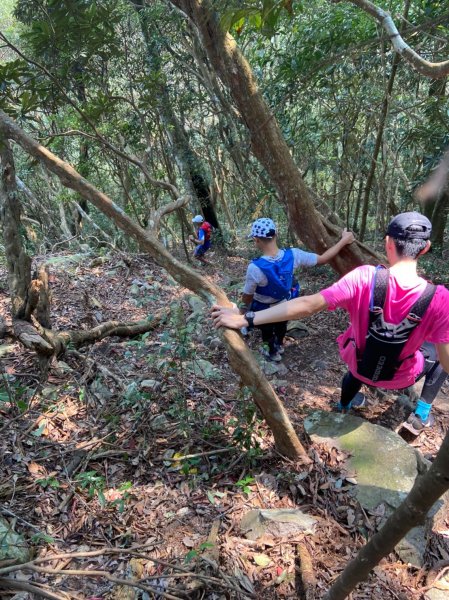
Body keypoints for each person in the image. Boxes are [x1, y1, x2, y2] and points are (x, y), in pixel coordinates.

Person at [212, 212, 449, 434]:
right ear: (425, 248)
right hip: (401, 376)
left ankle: (345, 404)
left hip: (359, 365)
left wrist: (246, 318)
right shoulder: (440, 298)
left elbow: (308, 305)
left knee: (362, 347)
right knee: (437, 355)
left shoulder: (365, 277)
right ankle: (422, 414)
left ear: (388, 242)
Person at [240, 217, 355, 361]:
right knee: (282, 324)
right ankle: (279, 345)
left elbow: (247, 296)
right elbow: (323, 259)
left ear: (256, 240)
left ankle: (271, 352)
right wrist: (344, 240)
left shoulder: (254, 268)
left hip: (263, 308)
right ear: (276, 235)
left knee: (267, 330)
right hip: (284, 304)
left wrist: (241, 312)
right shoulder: (294, 255)